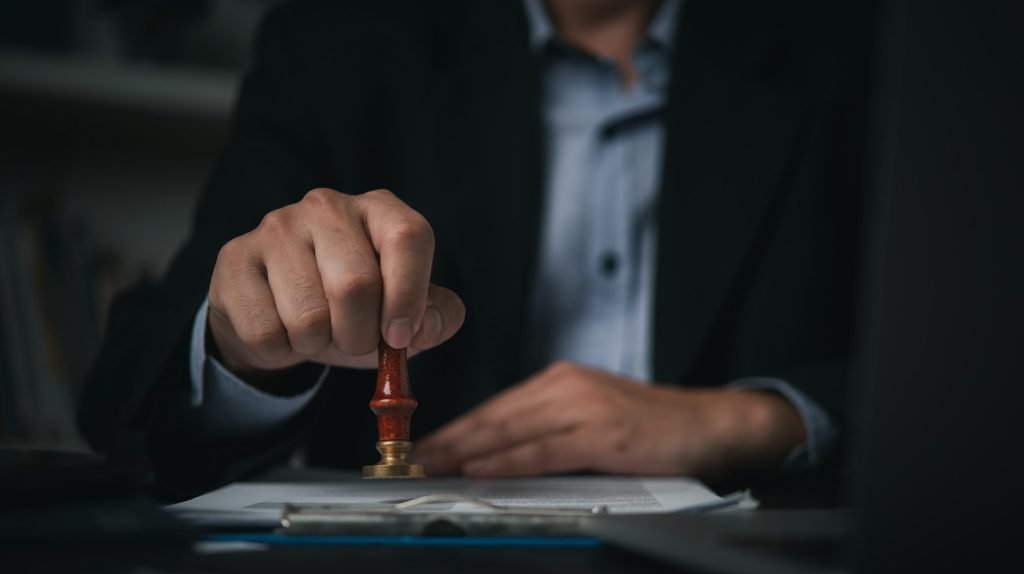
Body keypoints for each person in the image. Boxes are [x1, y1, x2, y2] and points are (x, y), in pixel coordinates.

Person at [77, 0, 871, 501]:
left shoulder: (862, 49)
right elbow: (127, 395)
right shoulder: (338, 41)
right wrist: (246, 347)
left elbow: (974, 383)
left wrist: (759, 420)